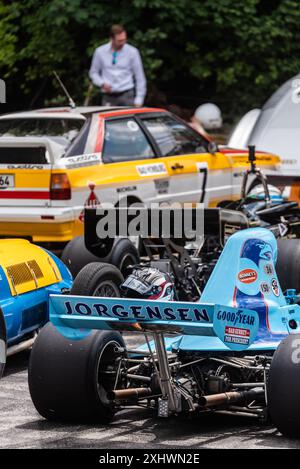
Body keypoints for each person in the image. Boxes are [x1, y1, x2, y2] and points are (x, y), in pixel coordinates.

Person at [89, 24, 146, 107]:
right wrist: (102, 83)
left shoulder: (132, 52)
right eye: (119, 41)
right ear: (112, 39)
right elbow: (93, 73)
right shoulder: (100, 52)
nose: (122, 43)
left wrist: (139, 99)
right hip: (108, 96)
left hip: (127, 94)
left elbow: (140, 77)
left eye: (124, 40)